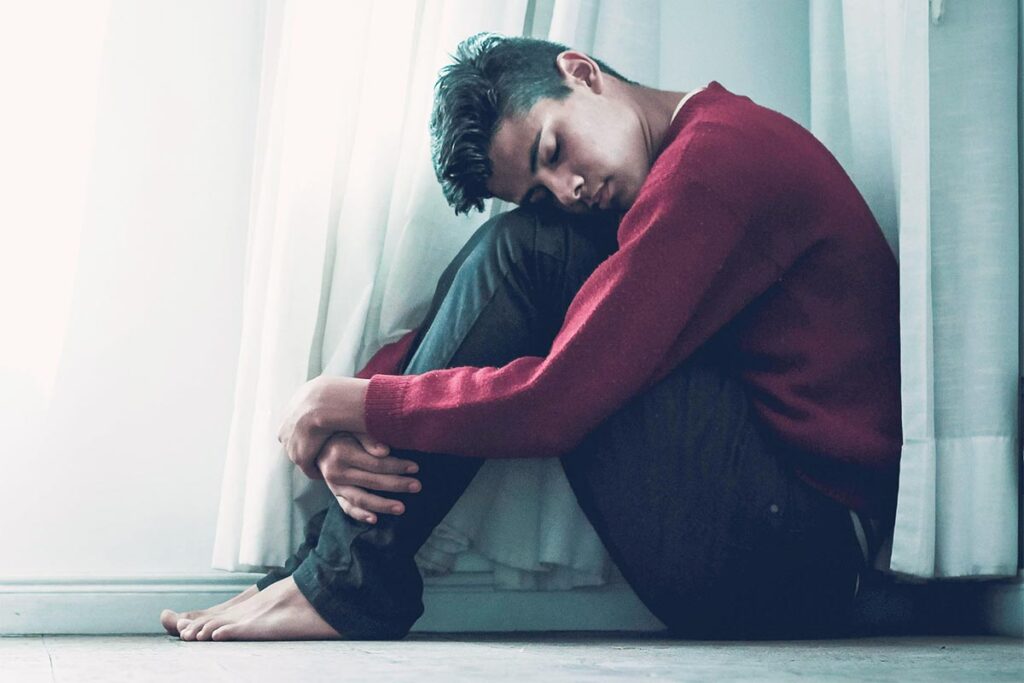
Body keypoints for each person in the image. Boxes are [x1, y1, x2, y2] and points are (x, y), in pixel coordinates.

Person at [161, 32, 901, 641]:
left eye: (553, 150)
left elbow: (559, 402)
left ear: (581, 72)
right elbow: (493, 320)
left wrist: (352, 404)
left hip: (799, 555)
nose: (571, 189)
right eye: (544, 185)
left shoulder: (715, 166)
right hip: (767, 528)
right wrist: (347, 411)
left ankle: (343, 583)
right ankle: (335, 573)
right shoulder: (681, 166)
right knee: (527, 244)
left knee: (529, 251)